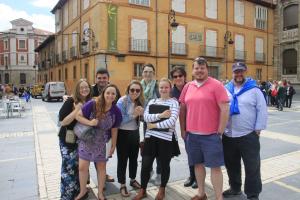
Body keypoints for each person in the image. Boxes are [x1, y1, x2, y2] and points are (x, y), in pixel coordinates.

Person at [179, 57, 229, 200]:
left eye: (202, 68)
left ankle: (219, 197)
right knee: (198, 165)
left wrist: (220, 130)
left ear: (207, 69)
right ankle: (201, 193)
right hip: (192, 135)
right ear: (193, 70)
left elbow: (225, 108)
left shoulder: (217, 85)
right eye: (196, 68)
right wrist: (183, 130)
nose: (199, 71)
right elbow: (183, 109)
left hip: (211, 135)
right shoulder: (188, 86)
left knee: (215, 167)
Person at [222, 62, 267, 200]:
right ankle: (235, 188)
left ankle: (253, 194)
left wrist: (258, 129)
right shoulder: (226, 89)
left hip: (248, 136)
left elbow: (262, 109)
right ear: (232, 73)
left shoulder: (254, 90)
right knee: (231, 165)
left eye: (241, 71)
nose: (238, 74)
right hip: (228, 135)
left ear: (245, 72)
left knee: (252, 167)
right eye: (236, 72)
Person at [133, 78, 180, 200]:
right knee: (145, 165)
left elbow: (171, 122)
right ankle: (143, 190)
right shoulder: (152, 101)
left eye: (166, 87)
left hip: (166, 140)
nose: (163, 89)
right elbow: (146, 117)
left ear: (170, 88)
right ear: (158, 89)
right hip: (151, 138)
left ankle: (162, 189)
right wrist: (161, 115)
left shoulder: (174, 103)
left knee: (164, 166)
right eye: (161, 87)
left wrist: (154, 125)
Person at [75, 84, 122, 200]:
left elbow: (114, 130)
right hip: (87, 140)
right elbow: (78, 116)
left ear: (116, 96)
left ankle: (100, 193)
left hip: (103, 143)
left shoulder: (116, 111)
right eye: (108, 93)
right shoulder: (93, 103)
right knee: (82, 167)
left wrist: (113, 145)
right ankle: (83, 191)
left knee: (101, 168)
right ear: (103, 93)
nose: (110, 96)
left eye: (113, 94)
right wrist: (90, 123)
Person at [58, 79, 92, 200]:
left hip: (82, 140)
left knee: (80, 167)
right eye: (81, 87)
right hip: (68, 140)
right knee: (68, 168)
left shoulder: (90, 101)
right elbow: (62, 121)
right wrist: (77, 110)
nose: (84, 89)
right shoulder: (71, 101)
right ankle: (67, 196)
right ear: (77, 89)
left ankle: (79, 192)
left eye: (86, 87)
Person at [91, 68, 120, 183]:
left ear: (108, 79)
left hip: (108, 129)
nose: (102, 80)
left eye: (104, 78)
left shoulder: (113, 90)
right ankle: (92, 176)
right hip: (92, 129)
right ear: (96, 79)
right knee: (91, 154)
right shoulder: (91, 90)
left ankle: (103, 174)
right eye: (99, 78)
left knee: (104, 155)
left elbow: (118, 106)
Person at [116, 80, 144, 197]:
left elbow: (143, 119)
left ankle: (132, 179)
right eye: (132, 90)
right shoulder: (122, 101)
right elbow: (119, 119)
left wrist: (141, 115)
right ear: (128, 90)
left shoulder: (141, 101)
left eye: (137, 90)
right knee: (122, 160)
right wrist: (134, 115)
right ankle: (122, 184)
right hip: (122, 134)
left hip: (134, 133)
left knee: (134, 159)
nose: (135, 92)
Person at [170, 66, 197, 189]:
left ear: (185, 76)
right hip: (184, 126)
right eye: (175, 76)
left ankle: (197, 178)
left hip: (197, 124)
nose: (178, 78)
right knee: (190, 152)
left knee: (197, 153)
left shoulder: (192, 87)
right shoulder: (171, 92)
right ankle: (192, 176)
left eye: (180, 75)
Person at [140, 63, 161, 184]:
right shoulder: (139, 87)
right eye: (145, 71)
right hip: (145, 123)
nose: (148, 74)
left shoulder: (157, 86)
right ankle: (149, 169)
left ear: (154, 74)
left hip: (158, 122)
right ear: (142, 73)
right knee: (148, 147)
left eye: (150, 72)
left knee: (159, 147)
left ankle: (159, 171)